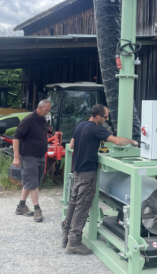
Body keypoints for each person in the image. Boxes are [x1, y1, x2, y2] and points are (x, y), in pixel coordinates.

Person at [62, 104, 138, 255]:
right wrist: (131, 141)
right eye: (105, 117)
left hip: (77, 172)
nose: (106, 119)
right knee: (82, 208)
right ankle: (74, 242)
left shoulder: (80, 125)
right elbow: (116, 141)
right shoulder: (97, 129)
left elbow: (71, 145)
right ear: (98, 117)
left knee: (73, 203)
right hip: (87, 175)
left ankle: (65, 235)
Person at [12, 99, 51, 222]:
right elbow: (16, 137)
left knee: (31, 182)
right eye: (46, 110)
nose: (47, 112)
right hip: (29, 157)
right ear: (39, 108)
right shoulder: (28, 120)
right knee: (32, 183)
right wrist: (16, 156)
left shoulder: (42, 120)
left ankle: (21, 206)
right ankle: (37, 209)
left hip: (40, 156)